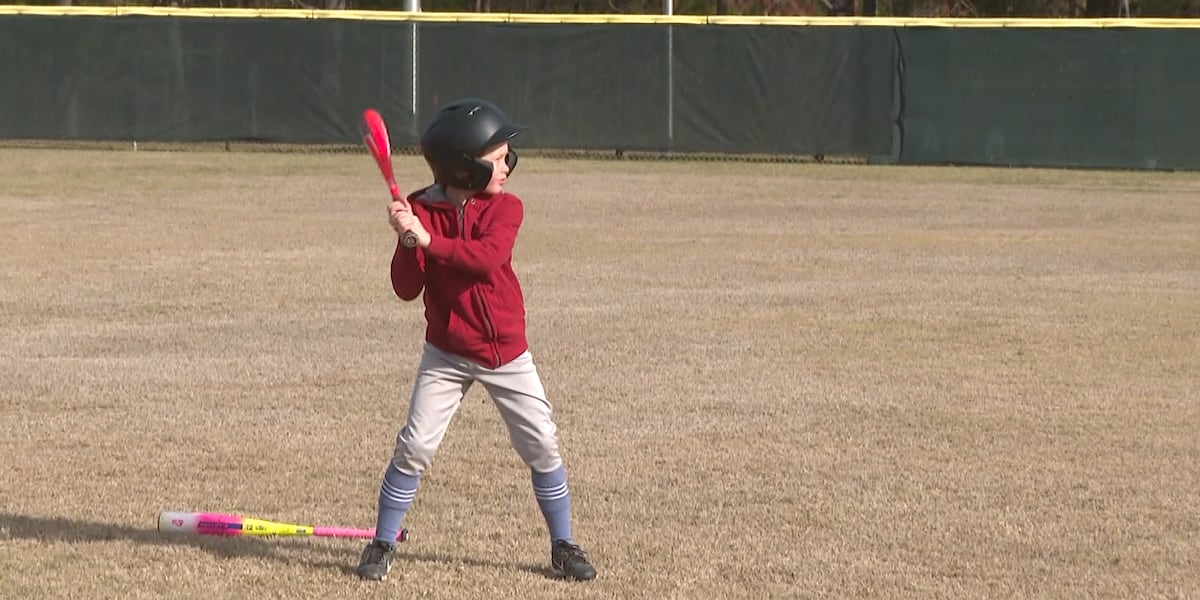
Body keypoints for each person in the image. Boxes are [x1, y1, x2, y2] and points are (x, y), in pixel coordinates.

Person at [355, 98, 596, 583]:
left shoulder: (506, 208)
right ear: (463, 169)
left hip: (505, 351)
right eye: (496, 157)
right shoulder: (422, 210)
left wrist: (426, 238)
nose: (507, 164)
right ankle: (382, 542)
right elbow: (407, 288)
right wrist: (407, 237)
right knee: (415, 447)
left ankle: (563, 544)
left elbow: (484, 259)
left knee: (542, 445)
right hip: (445, 352)